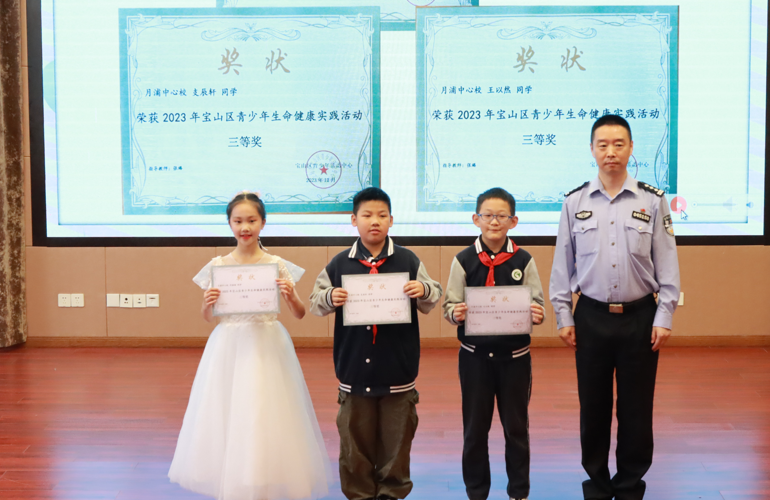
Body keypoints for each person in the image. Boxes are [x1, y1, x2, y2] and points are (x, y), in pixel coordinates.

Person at [549, 115, 680, 500]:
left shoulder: (652, 200)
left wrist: (665, 315)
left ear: (631, 147)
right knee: (593, 406)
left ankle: (629, 484)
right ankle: (597, 482)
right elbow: (562, 264)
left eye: (619, 144)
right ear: (592, 150)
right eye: (603, 144)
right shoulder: (574, 201)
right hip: (590, 317)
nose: (611, 152)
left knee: (636, 408)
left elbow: (667, 262)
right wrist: (563, 315)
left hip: (640, 318)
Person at [169, 191, 331, 500]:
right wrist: (207, 303)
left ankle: (261, 478)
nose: (245, 227)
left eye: (252, 220)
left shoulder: (276, 264)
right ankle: (235, 481)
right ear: (229, 224)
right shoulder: (218, 265)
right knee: (228, 409)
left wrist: (290, 296)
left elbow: (299, 313)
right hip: (228, 345)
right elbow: (208, 317)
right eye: (238, 221)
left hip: (266, 343)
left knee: (263, 409)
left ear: (263, 223)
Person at [310, 187, 442, 500]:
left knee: (397, 444)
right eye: (367, 215)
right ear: (353, 220)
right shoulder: (339, 264)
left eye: (382, 215)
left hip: (398, 372)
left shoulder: (408, 259)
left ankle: (391, 494)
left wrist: (423, 290)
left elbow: (433, 295)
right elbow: (315, 303)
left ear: (391, 220)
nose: (375, 221)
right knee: (354, 446)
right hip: (354, 371)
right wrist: (330, 296)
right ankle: (359, 494)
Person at [442, 187, 545, 500]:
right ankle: (477, 492)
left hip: (515, 359)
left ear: (514, 221)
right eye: (488, 215)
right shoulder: (463, 260)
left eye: (502, 216)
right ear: (476, 219)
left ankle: (519, 492)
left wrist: (537, 313)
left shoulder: (524, 260)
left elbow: (538, 303)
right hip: (474, 359)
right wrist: (455, 313)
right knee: (475, 431)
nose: (495, 222)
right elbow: (449, 306)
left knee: (516, 429)